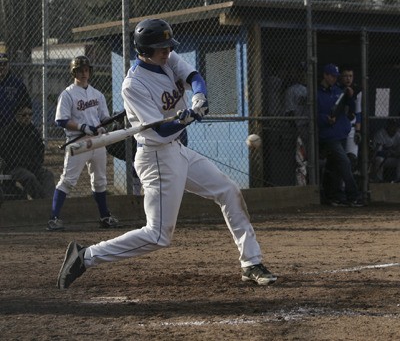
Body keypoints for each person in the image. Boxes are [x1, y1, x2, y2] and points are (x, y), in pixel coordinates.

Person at [56, 18, 277, 289]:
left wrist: (198, 99)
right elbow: (159, 131)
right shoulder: (132, 85)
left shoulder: (168, 60)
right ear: (145, 50)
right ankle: (85, 256)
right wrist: (183, 120)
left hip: (177, 150)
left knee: (229, 191)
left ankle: (251, 262)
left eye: (168, 46)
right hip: (156, 157)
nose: (167, 51)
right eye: (161, 48)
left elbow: (194, 78)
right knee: (158, 235)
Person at [47, 55, 119, 231]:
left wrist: (114, 120)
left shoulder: (97, 94)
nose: (84, 73)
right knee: (68, 180)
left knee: (100, 180)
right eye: (80, 70)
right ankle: (54, 218)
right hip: (77, 141)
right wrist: (82, 127)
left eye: (86, 70)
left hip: (97, 142)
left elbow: (103, 118)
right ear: (74, 72)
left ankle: (105, 216)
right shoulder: (68, 94)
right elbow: (61, 120)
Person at [318, 63, 363, 207]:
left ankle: (333, 196)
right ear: (325, 75)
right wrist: (326, 119)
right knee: (345, 162)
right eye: (331, 76)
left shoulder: (339, 90)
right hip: (329, 136)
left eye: (336, 76)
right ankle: (353, 196)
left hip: (341, 133)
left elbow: (350, 108)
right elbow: (314, 115)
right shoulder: (317, 93)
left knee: (335, 167)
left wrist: (350, 97)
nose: (334, 79)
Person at [0, 101, 54, 199]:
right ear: (17, 115)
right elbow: (5, 153)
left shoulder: (32, 130)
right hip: (15, 167)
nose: (27, 117)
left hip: (32, 165)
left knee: (48, 175)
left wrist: (37, 163)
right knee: (29, 177)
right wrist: (20, 162)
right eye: (24, 115)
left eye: (30, 114)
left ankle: (49, 201)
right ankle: (44, 201)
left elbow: (40, 148)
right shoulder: (8, 131)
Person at [283, 62, 308, 186]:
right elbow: (289, 113)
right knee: (300, 161)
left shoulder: (310, 90)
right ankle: (301, 187)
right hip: (299, 128)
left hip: (309, 128)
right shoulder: (292, 90)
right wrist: (295, 130)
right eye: (301, 72)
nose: (304, 75)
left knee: (307, 160)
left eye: (305, 72)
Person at [338, 66, 362, 175]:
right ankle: (339, 188)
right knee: (339, 159)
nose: (348, 79)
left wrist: (358, 131)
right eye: (346, 76)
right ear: (341, 77)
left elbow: (358, 112)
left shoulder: (357, 91)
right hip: (338, 127)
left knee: (352, 158)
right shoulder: (336, 89)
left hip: (351, 128)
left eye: (351, 76)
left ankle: (348, 188)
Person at [0, 53, 31, 128]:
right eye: (0, 64)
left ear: (8, 65)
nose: (2, 67)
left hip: (12, 127)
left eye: (4, 64)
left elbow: (27, 104)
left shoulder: (17, 84)